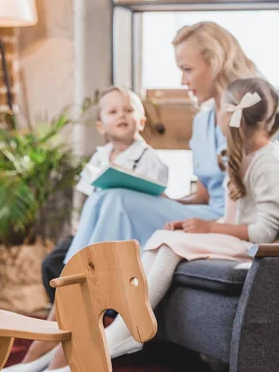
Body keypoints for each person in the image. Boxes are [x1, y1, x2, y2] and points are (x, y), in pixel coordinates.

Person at [1, 21, 258, 372]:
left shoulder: (241, 113)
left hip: (222, 220)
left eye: (187, 69)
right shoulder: (203, 119)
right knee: (110, 193)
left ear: (214, 63)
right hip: (200, 208)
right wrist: (158, 200)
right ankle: (56, 331)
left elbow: (245, 194)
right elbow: (201, 192)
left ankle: (60, 341)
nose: (183, 80)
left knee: (115, 197)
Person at [0, 85, 169, 372]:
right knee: (55, 262)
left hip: (130, 233)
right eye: (114, 111)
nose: (123, 116)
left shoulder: (151, 160)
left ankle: (59, 347)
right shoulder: (100, 157)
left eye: (129, 111)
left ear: (142, 121)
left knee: (86, 261)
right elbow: (88, 198)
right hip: (99, 230)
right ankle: (53, 340)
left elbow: (151, 201)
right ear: (101, 125)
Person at [106, 77, 279, 355]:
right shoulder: (241, 155)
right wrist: (194, 226)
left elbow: (264, 233)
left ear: (233, 115)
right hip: (236, 240)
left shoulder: (267, 162)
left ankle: (130, 330)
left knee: (170, 245)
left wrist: (209, 227)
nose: (215, 115)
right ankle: (126, 327)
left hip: (252, 248)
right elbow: (235, 215)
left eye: (220, 108)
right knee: (165, 236)